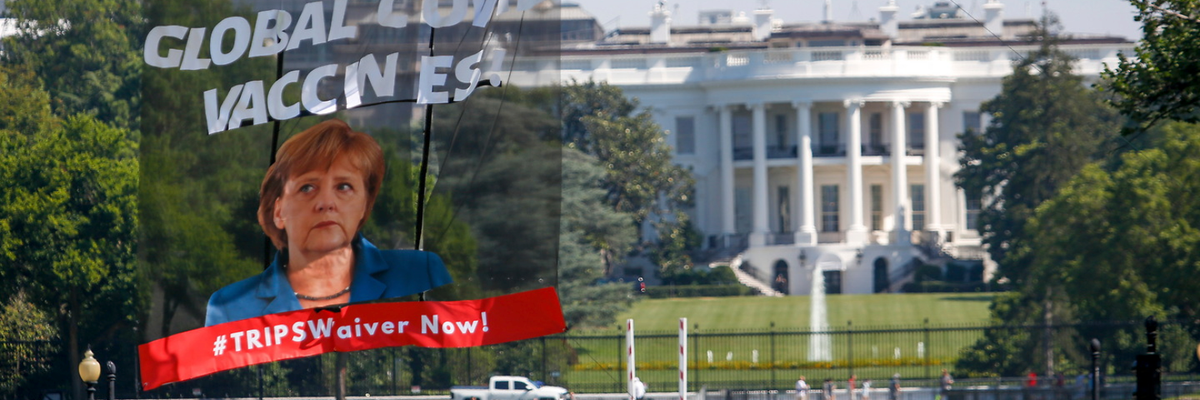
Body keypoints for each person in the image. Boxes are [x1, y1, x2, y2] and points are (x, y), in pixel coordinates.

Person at [205, 119, 453, 326]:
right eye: (307, 187)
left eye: (343, 186)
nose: (326, 202)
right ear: (278, 211)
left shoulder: (421, 273)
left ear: (364, 204)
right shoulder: (230, 307)